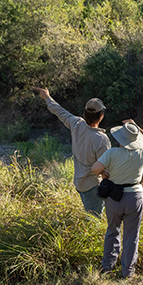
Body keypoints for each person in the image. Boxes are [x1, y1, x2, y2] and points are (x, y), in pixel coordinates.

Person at [90, 120, 143, 278]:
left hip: (114, 196)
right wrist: (138, 127)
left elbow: (94, 169)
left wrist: (104, 173)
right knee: (132, 236)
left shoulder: (111, 153)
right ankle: (127, 271)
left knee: (112, 231)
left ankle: (107, 267)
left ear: (120, 139)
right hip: (135, 196)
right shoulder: (142, 153)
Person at [36, 87, 110, 217]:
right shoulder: (101, 139)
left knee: (91, 216)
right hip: (93, 186)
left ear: (85, 113)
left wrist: (47, 97)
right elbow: (106, 167)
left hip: (79, 182)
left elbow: (59, 111)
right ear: (101, 116)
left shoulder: (76, 124)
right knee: (94, 221)